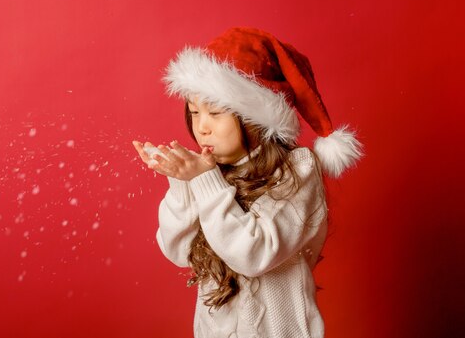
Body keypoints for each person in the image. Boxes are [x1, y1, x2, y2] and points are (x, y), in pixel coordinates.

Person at [132, 27, 363, 338]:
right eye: (194, 111)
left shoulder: (298, 169)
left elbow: (252, 253)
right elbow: (179, 251)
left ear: (254, 117)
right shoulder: (209, 171)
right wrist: (182, 182)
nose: (202, 127)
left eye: (215, 112)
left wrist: (202, 179)